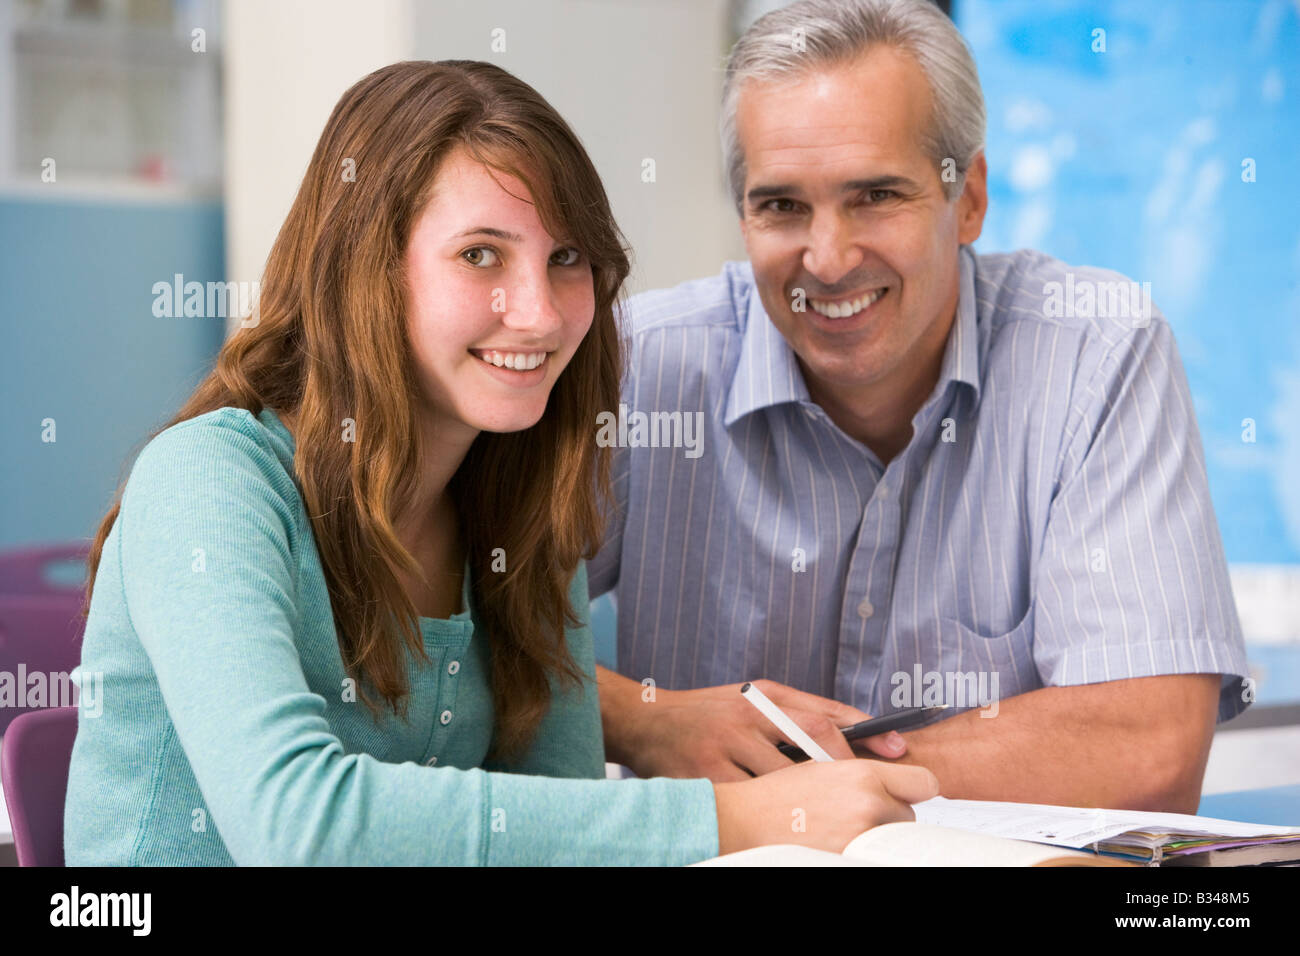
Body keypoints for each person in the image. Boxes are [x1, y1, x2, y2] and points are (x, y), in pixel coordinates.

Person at [63, 59, 938, 866]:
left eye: (566, 260)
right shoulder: (209, 481)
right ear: (368, 271)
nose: (539, 313)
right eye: (480, 255)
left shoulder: (521, 511)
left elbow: (557, 825)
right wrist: (732, 820)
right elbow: (299, 826)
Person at [589, 0, 1248, 813]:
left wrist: (802, 780)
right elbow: (427, 652)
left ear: (967, 198)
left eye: (875, 195)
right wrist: (644, 719)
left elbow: (1148, 749)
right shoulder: (641, 366)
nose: (827, 259)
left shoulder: (1096, 354)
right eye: (782, 205)